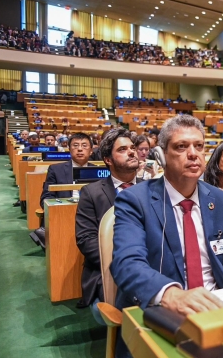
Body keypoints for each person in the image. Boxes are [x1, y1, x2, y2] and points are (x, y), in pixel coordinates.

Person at [110, 115, 223, 358]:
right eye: (181, 146)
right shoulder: (135, 200)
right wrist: (171, 294)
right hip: (162, 312)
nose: (193, 153)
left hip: (216, 308)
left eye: (199, 146)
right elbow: (127, 264)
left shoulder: (220, 201)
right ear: (162, 154)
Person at [75, 129, 142, 323]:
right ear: (108, 160)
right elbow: (86, 241)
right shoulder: (91, 193)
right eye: (122, 149)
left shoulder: (154, 188)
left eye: (133, 148)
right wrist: (128, 260)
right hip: (108, 271)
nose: (131, 152)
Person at [30, 133, 95, 249]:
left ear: (91, 151)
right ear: (69, 150)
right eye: (75, 146)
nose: (80, 149)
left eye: (84, 146)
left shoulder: (98, 171)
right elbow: (46, 197)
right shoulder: (56, 169)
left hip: (91, 216)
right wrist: (58, 208)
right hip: (63, 215)